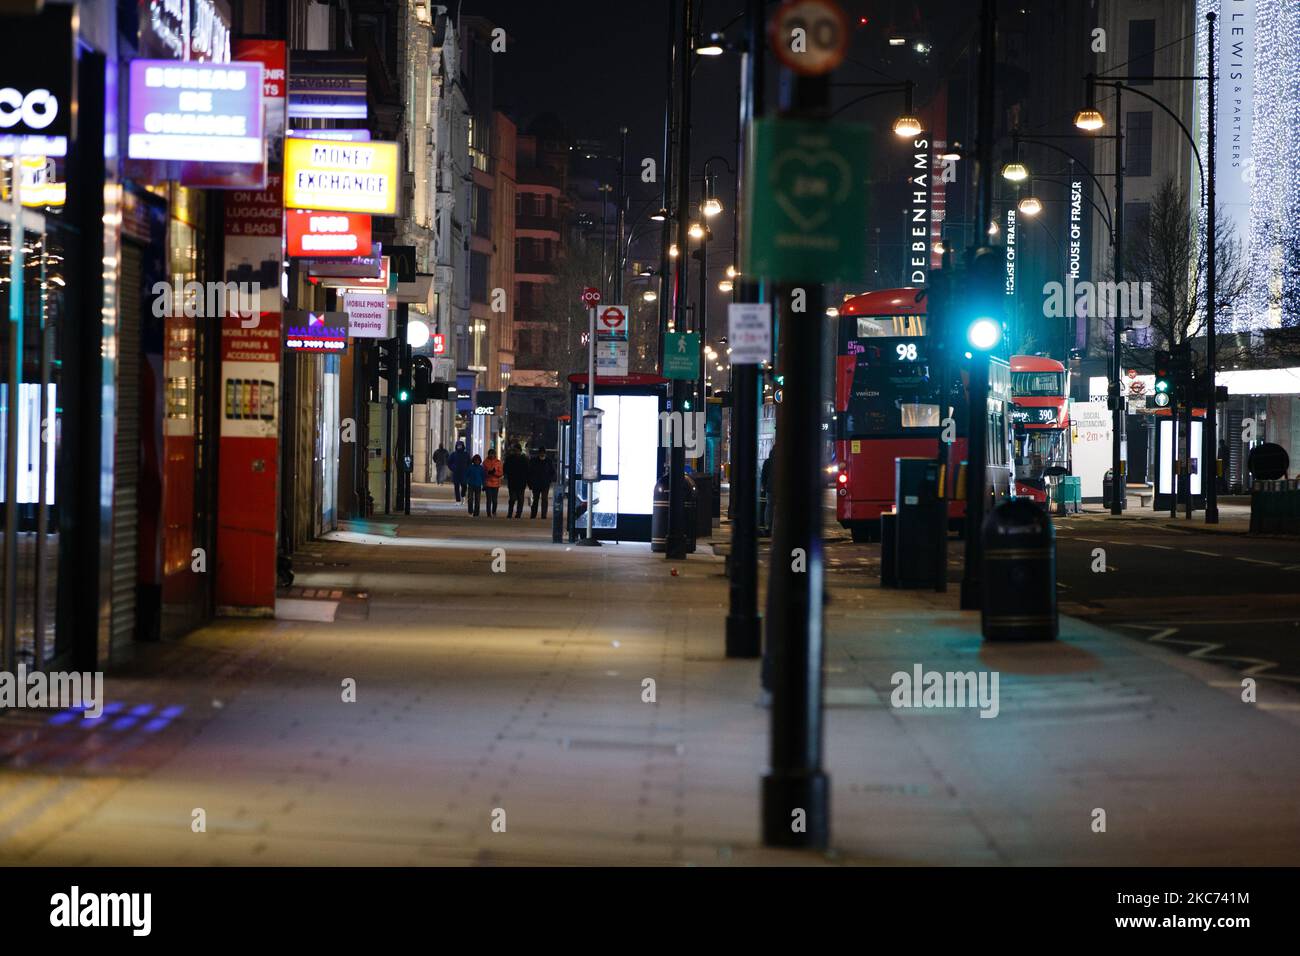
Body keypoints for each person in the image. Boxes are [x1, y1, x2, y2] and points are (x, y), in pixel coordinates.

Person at [528, 446, 556, 519]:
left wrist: (549, 480)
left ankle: (543, 515)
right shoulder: (534, 461)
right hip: (536, 484)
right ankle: (533, 514)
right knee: (535, 500)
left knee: (544, 500)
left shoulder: (548, 461)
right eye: (541, 453)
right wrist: (531, 482)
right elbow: (530, 472)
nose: (542, 454)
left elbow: (553, 472)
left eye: (543, 453)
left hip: (545, 484)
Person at [503, 443, 530, 518]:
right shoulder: (510, 458)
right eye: (515, 450)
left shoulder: (524, 459)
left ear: (520, 451)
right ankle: (511, 513)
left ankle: (518, 513)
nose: (516, 452)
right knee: (513, 499)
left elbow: (528, 471)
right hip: (513, 482)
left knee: (520, 499)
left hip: (520, 482)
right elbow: (505, 469)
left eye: (517, 450)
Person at [483, 448, 504, 516]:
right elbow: (483, 473)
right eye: (490, 454)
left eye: (493, 454)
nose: (491, 455)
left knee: (494, 500)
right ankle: (488, 513)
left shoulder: (498, 462)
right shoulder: (485, 462)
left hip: (496, 484)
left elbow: (500, 473)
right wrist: (488, 473)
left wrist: (494, 473)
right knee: (489, 500)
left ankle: (494, 511)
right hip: (488, 483)